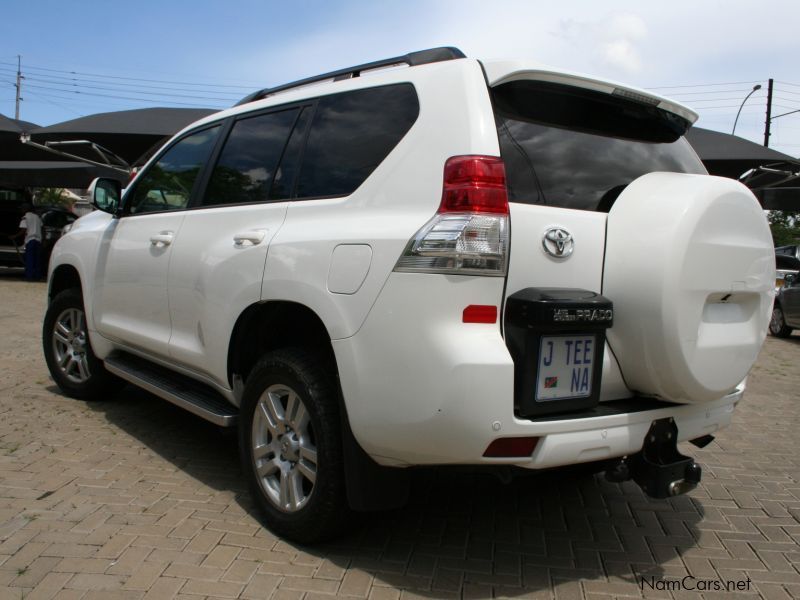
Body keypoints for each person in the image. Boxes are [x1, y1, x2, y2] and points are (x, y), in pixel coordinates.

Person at [13, 203, 43, 280]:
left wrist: (14, 236)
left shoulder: (25, 218)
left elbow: (23, 230)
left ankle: (29, 277)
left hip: (30, 240)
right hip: (38, 240)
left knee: (29, 259)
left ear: (25, 209)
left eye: (22, 208)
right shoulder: (37, 217)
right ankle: (37, 276)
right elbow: (42, 228)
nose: (21, 210)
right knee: (37, 260)